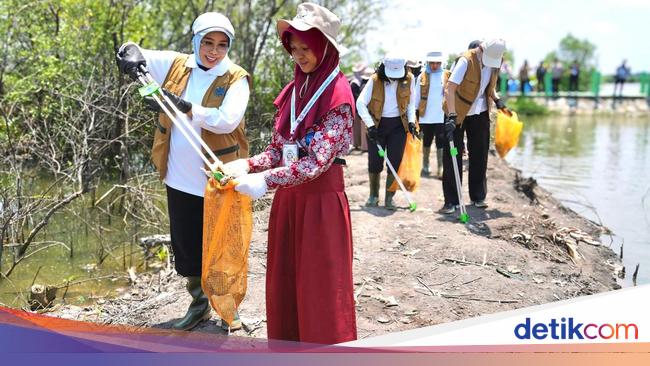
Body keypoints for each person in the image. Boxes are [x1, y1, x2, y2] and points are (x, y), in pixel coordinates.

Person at [221, 2, 356, 344]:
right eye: (293, 48)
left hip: (321, 205)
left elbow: (316, 163)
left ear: (324, 47)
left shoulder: (338, 95)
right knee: (286, 282)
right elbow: (279, 151)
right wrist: (247, 164)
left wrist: (264, 181)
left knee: (320, 286)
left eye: (306, 48)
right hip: (289, 203)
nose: (299, 55)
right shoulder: (294, 91)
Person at [115, 12, 250, 331]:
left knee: (223, 244)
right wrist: (130, 53)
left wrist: (184, 107)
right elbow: (135, 50)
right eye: (207, 42)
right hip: (178, 176)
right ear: (196, 41)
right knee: (186, 245)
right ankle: (199, 304)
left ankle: (229, 308)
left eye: (221, 45)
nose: (213, 51)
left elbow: (227, 120)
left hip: (218, 176)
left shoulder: (235, 78)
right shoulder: (177, 64)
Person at [441, 39, 509, 213]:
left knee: (480, 153)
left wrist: (498, 101)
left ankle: (478, 196)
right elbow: (450, 88)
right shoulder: (466, 60)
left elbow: (488, 85)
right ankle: (452, 200)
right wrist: (452, 115)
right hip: (458, 110)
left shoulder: (495, 62)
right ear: (481, 50)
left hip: (480, 112)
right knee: (453, 154)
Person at [356, 53, 417, 209]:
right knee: (375, 162)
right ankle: (373, 196)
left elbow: (410, 103)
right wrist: (369, 125)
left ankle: (389, 198)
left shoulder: (409, 79)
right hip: (377, 126)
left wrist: (411, 121)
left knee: (395, 161)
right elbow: (360, 103)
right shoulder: (374, 80)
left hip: (398, 126)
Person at [416, 51, 446, 178]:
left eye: (437, 63)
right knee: (426, 140)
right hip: (425, 115)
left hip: (441, 114)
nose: (434, 65)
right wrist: (415, 114)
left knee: (441, 141)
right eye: (432, 63)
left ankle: (441, 167)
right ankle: (426, 165)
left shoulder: (446, 75)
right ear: (428, 63)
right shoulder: (422, 76)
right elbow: (417, 96)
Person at [349, 63, 372, 151]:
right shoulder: (355, 83)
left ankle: (360, 144)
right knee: (360, 128)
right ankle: (361, 145)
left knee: (360, 128)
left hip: (359, 109)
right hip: (358, 109)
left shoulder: (360, 83)